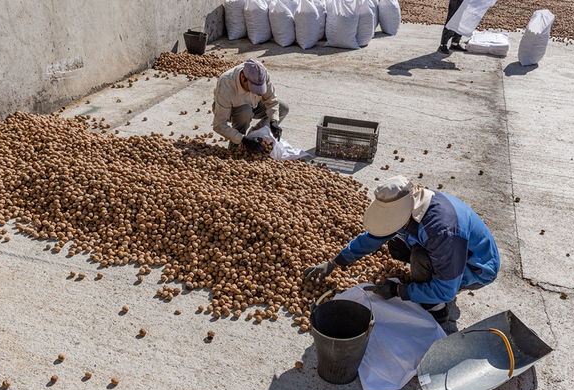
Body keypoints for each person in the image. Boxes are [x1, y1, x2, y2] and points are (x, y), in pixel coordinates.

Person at [303, 176, 500, 323]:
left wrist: (398, 290)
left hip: (476, 268)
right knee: (397, 244)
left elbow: (446, 291)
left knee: (420, 257)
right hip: (450, 250)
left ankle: (436, 308)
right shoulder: (413, 204)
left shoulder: (441, 232)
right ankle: (430, 278)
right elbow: (372, 238)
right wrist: (335, 262)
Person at [212, 59, 289, 152]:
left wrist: (273, 121)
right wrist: (243, 139)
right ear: (243, 77)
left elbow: (271, 100)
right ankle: (235, 147)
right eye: (253, 87)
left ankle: (255, 136)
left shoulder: (261, 74)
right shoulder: (226, 84)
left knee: (283, 108)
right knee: (245, 111)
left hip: (255, 103)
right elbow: (219, 124)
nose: (255, 91)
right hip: (232, 109)